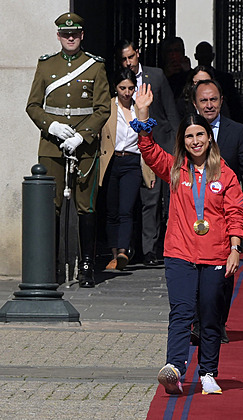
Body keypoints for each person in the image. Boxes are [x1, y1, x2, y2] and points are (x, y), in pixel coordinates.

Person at [134, 83, 243, 396]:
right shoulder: (174, 169)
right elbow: (148, 150)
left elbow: (236, 214)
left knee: (210, 314)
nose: (195, 141)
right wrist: (143, 115)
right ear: (183, 142)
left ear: (209, 138)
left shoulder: (225, 174)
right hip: (180, 254)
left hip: (215, 255)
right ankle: (175, 368)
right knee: (181, 311)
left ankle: (209, 371)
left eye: (200, 135)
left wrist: (235, 249)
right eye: (189, 136)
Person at [26, 12, 110, 288]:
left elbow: (102, 109)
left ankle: (86, 267)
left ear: (82, 35)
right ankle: (48, 268)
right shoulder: (45, 65)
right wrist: (51, 127)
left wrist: (83, 136)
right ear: (58, 35)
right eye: (65, 33)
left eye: (75, 33)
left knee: (86, 207)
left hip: (83, 149)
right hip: (52, 146)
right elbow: (33, 106)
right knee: (51, 207)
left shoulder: (95, 66)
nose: (70, 37)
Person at [193, 79, 243, 342]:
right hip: (195, 212)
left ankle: (218, 322)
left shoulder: (237, 130)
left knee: (224, 268)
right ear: (195, 104)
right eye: (203, 101)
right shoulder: (188, 130)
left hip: (226, 211)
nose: (209, 105)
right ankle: (198, 323)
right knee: (195, 265)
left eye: (213, 100)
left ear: (221, 101)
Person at [115, 39, 180, 267]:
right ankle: (149, 250)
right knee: (149, 200)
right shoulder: (121, 81)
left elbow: (170, 112)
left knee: (171, 198)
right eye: (124, 59)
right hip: (138, 148)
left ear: (138, 54)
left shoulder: (157, 75)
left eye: (131, 57)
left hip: (163, 143)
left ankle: (172, 245)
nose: (128, 62)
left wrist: (176, 146)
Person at [99, 68, 155, 271]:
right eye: (123, 88)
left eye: (131, 88)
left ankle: (123, 250)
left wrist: (150, 170)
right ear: (115, 88)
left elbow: (148, 138)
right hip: (112, 161)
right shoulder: (107, 106)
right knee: (112, 210)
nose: (127, 92)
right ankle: (114, 253)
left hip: (132, 162)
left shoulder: (139, 108)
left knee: (126, 209)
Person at [194, 42, 243, 124]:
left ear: (213, 56)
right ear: (196, 56)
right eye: (202, 53)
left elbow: (234, 104)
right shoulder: (190, 76)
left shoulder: (225, 78)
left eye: (207, 53)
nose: (204, 57)